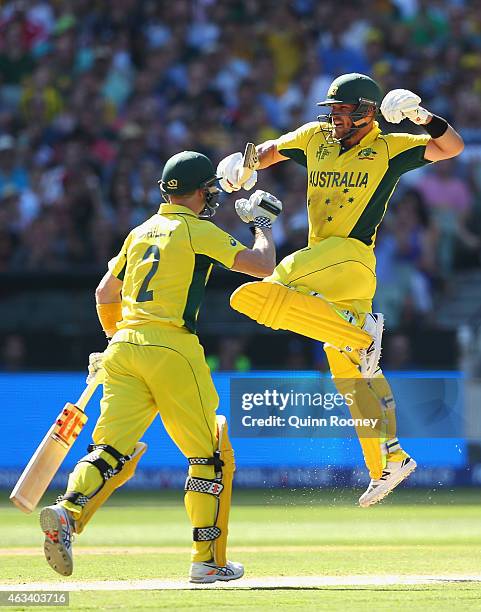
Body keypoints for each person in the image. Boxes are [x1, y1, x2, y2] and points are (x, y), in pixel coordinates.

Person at [217, 73, 464, 507]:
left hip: (350, 257)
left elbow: (452, 148)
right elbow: (270, 151)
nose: (335, 118)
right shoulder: (316, 138)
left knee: (257, 292)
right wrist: (243, 164)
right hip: (325, 266)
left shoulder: (391, 147)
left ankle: (358, 331)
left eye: (344, 110)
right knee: (354, 378)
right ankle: (389, 459)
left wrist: (422, 116)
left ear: (368, 112)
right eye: (332, 110)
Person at [39, 151, 282, 583]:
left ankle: (68, 508)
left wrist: (115, 338)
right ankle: (207, 561)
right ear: (198, 192)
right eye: (209, 190)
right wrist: (262, 227)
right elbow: (263, 266)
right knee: (210, 456)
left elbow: (104, 292)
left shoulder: (139, 232)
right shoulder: (197, 230)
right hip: (172, 348)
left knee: (109, 451)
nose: (211, 197)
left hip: (125, 349)